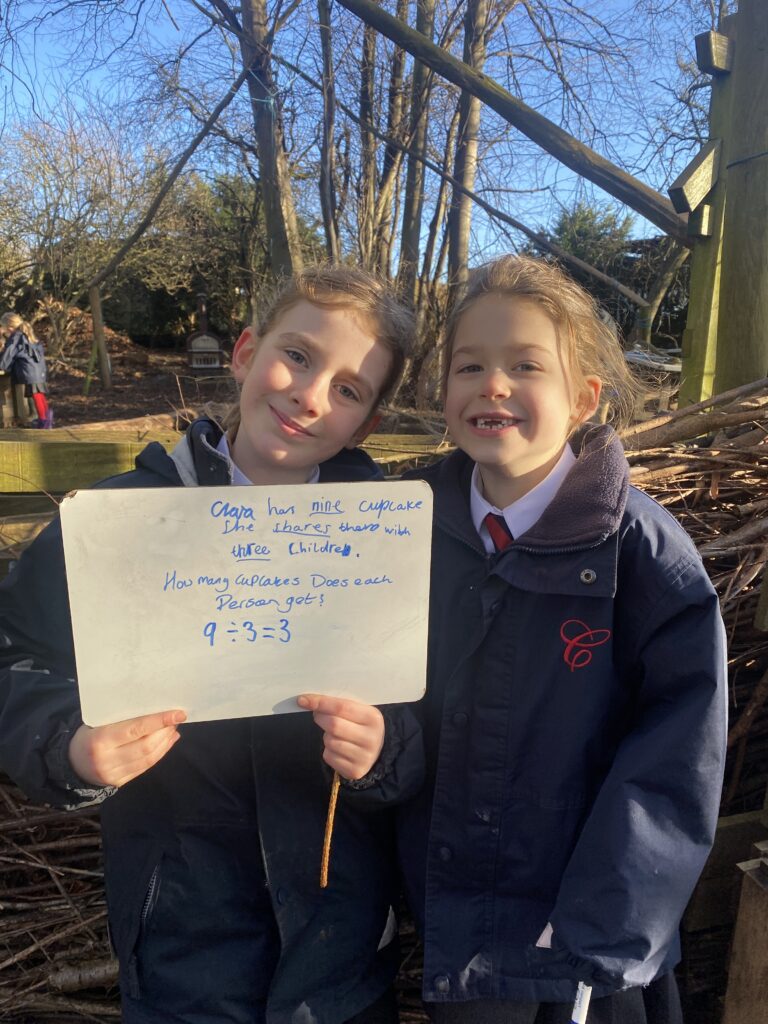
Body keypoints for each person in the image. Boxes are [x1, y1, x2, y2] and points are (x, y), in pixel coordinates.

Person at [0, 266, 423, 1024]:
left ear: (365, 422)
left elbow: (447, 709)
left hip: (341, 956)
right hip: (180, 950)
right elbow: (12, 654)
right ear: (245, 352)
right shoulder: (114, 522)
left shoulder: (391, 542)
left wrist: (387, 750)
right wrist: (68, 745)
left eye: (350, 389)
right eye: (297, 355)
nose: (310, 394)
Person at [397, 256, 727, 1024]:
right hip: (460, 941)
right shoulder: (405, 532)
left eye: (525, 365)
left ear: (583, 399)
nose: (494, 385)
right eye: (469, 365)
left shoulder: (643, 554)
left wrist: (599, 937)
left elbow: (677, 763)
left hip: (589, 965)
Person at [0, 312, 53, 427]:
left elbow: (9, 354)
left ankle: (44, 420)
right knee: (40, 395)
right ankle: (47, 416)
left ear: (9, 327)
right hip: (38, 371)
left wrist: (2, 365)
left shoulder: (16, 337)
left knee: (37, 396)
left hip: (30, 372)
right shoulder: (27, 334)